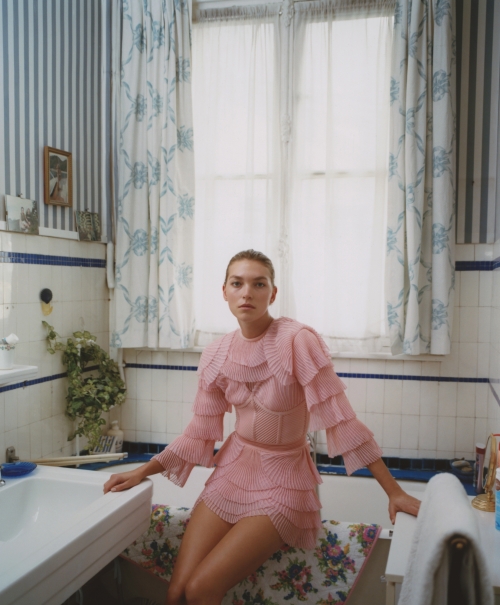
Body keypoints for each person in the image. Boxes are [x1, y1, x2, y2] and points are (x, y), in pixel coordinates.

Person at [103, 249, 420, 605]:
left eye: (258, 284)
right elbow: (198, 433)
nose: (247, 293)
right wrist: (141, 471)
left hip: (285, 479)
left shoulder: (297, 340)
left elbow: (340, 418)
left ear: (273, 293)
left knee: (202, 588)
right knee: (176, 592)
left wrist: (394, 492)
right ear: (224, 291)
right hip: (233, 472)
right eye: (237, 283)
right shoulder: (216, 353)